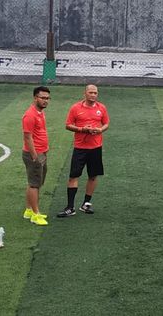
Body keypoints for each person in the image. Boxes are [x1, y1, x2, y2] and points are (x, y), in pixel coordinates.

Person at [57, 85, 110, 218]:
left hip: (96, 148)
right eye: (91, 92)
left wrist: (100, 130)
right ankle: (70, 207)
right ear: (85, 93)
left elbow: (106, 123)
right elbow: (68, 125)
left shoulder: (101, 108)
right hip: (80, 148)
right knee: (73, 176)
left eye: (95, 93)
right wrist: (82, 129)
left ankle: (86, 204)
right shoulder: (76, 108)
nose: (93, 95)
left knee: (93, 176)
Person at [22, 86, 51, 226]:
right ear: (35, 98)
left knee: (35, 183)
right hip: (34, 154)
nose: (46, 101)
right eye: (43, 98)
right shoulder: (30, 115)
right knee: (35, 184)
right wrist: (35, 156)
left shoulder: (39, 112)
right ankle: (35, 214)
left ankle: (28, 210)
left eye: (47, 98)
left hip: (41, 152)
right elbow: (27, 137)